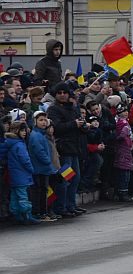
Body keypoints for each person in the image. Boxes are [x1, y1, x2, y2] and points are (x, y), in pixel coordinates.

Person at [47, 82, 87, 216]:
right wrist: (74, 124)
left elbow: (79, 125)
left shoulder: (73, 108)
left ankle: (71, 205)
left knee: (75, 178)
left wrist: (83, 126)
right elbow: (57, 127)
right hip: (64, 148)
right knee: (65, 179)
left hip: (74, 147)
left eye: (64, 92)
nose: (62, 95)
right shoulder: (53, 109)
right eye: (59, 93)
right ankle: (61, 207)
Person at [5, 121, 39, 224]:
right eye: (22, 130)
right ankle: (27, 215)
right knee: (23, 196)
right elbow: (25, 160)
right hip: (22, 175)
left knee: (15, 196)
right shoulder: (19, 145)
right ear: (16, 131)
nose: (24, 132)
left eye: (25, 130)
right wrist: (32, 169)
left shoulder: (10, 142)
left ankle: (16, 215)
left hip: (14, 174)